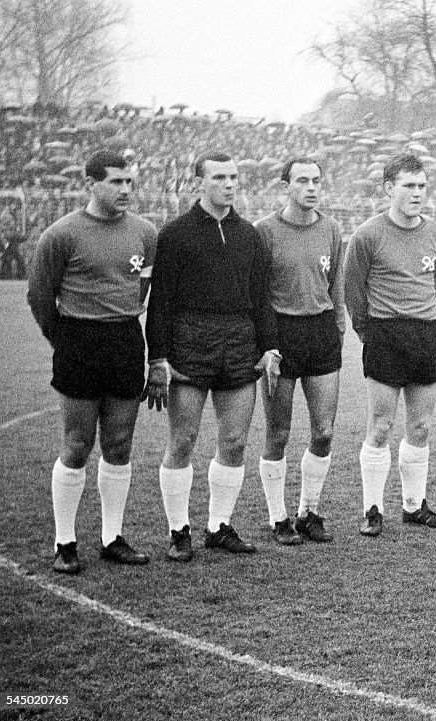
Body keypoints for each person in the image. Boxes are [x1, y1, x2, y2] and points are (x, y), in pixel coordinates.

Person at [144, 151, 281, 561]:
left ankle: (218, 526)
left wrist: (269, 345)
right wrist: (158, 357)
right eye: (219, 177)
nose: (229, 184)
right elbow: (161, 302)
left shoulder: (249, 235)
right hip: (190, 339)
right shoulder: (175, 234)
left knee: (235, 440)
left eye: (234, 177)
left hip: (240, 341)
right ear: (198, 182)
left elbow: (261, 298)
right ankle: (178, 530)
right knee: (182, 439)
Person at [27, 149, 157, 574]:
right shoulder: (61, 234)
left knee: (119, 443)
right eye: (116, 182)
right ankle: (64, 542)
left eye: (129, 182)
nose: (125, 190)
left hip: (124, 339)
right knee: (78, 444)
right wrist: (63, 339)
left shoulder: (145, 232)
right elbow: (40, 297)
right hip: (78, 340)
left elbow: (144, 287)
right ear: (91, 184)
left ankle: (112, 538)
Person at [344, 153, 436, 537]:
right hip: (385, 335)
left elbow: (435, 281)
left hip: (427, 333)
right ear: (389, 189)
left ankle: (414, 505)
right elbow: (353, 290)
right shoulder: (368, 235)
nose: (417, 193)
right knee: (380, 425)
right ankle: (372, 509)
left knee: (420, 426)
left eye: (422, 186)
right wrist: (367, 331)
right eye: (409, 185)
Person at [254, 158, 345, 545]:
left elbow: (335, 286)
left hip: (321, 331)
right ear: (286, 186)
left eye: (316, 181)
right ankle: (278, 518)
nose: (311, 187)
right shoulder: (265, 231)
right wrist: (266, 345)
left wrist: (338, 328)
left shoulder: (332, 228)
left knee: (323, 432)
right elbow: (256, 294)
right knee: (278, 432)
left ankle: (309, 511)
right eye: (302, 181)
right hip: (281, 335)